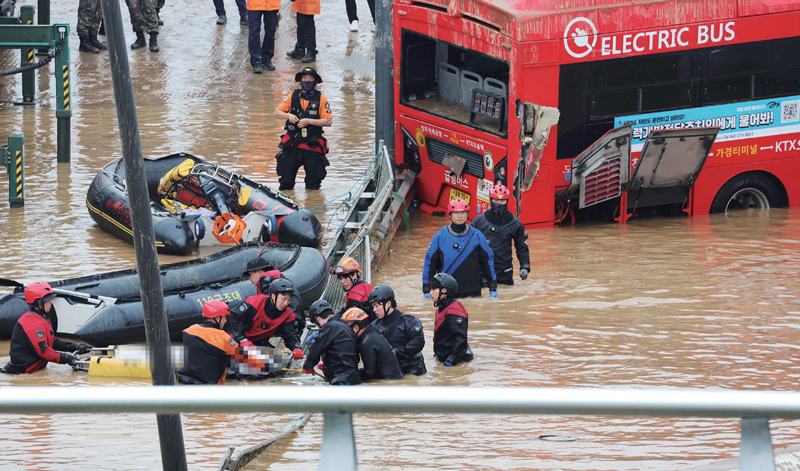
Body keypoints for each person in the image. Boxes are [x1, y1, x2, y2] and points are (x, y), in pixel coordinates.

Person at [2, 282, 90, 374]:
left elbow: (52, 342)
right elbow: (43, 351)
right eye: (48, 299)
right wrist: (66, 358)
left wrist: (75, 346)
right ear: (39, 303)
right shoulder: (32, 322)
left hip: (34, 369)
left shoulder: (41, 318)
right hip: (22, 373)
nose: (51, 302)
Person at [422, 198, 498, 299]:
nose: (460, 216)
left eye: (463, 212)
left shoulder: (477, 236)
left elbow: (488, 261)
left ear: (467, 214)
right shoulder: (440, 236)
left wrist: (493, 287)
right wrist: (426, 289)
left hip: (472, 293)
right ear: (450, 215)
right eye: (456, 213)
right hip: (446, 293)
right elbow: (429, 263)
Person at [273, 66, 332, 191]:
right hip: (293, 145)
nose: (308, 81)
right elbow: (276, 113)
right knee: (285, 184)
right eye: (305, 78)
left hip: (313, 145)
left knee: (313, 186)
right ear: (301, 81)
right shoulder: (291, 96)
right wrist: (288, 115)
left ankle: (313, 204)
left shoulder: (322, 99)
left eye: (311, 78)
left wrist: (309, 121)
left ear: (316, 82)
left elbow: (328, 121)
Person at [177, 299, 264, 384]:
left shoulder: (189, 330)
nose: (226, 321)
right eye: (225, 317)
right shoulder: (221, 337)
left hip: (185, 378)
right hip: (209, 384)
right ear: (217, 318)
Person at [229, 278, 304, 360]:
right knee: (241, 366)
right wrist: (242, 339)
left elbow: (290, 335)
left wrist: (296, 348)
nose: (286, 303)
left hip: (258, 341)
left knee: (275, 363)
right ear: (273, 296)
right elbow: (233, 316)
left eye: (288, 300)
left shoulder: (288, 315)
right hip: (238, 338)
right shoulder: (255, 302)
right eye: (283, 299)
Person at [471, 184, 530, 285]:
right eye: (496, 201)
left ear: (507, 202)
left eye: (502, 201)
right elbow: (469, 247)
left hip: (504, 271)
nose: (499, 204)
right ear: (491, 200)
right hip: (483, 271)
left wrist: (525, 267)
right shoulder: (479, 221)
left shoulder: (515, 223)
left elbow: (521, 247)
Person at [369, 285, 426, 376]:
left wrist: (394, 353)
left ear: (388, 303)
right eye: (373, 306)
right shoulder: (373, 326)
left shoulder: (409, 321)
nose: (374, 310)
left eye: (376, 306)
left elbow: (418, 342)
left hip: (412, 371)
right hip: (389, 372)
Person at [302, 304, 361, 385]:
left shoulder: (328, 327)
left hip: (339, 380)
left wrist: (308, 366)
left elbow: (314, 350)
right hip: (354, 378)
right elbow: (352, 354)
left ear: (318, 319)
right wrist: (329, 363)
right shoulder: (347, 328)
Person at [342, 307, 404, 381]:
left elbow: (369, 373)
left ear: (356, 328)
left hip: (388, 382)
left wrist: (346, 376)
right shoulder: (371, 332)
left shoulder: (367, 342)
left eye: (348, 329)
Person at [429, 273, 473, 366]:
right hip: (444, 357)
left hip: (457, 360)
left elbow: (461, 339)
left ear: (444, 290)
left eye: (434, 289)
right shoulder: (441, 308)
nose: (430, 293)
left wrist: (452, 359)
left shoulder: (454, 311)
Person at [330, 257, 374, 321]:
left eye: (345, 277)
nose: (343, 282)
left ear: (355, 275)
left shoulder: (353, 296)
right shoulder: (365, 286)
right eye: (340, 278)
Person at [247, 0, 279, 73]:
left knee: (271, 30)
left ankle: (266, 58)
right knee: (254, 32)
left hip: (272, 4)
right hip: (254, 3)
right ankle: (256, 60)